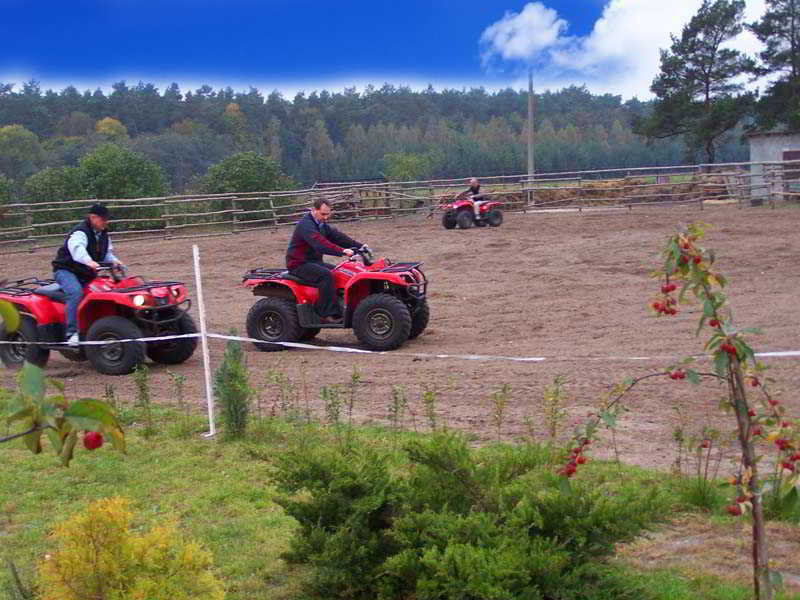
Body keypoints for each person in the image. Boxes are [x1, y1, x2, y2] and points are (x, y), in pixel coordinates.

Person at [52, 204, 124, 346]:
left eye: (107, 219)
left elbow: (106, 253)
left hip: (85, 273)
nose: (106, 222)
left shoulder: (103, 234)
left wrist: (115, 262)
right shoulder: (80, 232)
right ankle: (71, 334)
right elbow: (77, 250)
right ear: (92, 218)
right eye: (104, 219)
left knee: (108, 288)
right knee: (75, 292)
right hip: (66, 270)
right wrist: (89, 261)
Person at [286, 199, 363, 323]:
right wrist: (342, 251)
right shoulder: (306, 225)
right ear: (314, 210)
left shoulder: (321, 224)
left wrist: (360, 246)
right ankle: (326, 313)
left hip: (313, 262)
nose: (326, 217)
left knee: (340, 272)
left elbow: (337, 237)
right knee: (326, 276)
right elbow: (319, 244)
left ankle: (341, 306)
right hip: (298, 264)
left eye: (328, 214)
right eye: (323, 214)